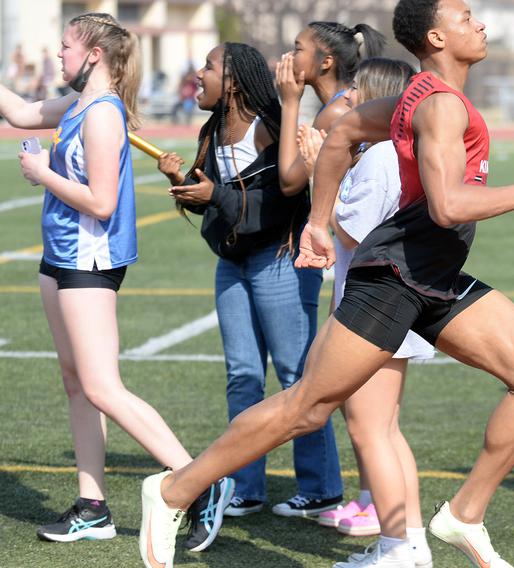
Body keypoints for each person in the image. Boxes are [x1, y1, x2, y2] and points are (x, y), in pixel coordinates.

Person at [138, 1, 514, 567]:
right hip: (395, 277)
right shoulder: (439, 105)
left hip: (435, 276)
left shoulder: (421, 96)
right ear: (435, 36)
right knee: (307, 408)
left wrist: (317, 224)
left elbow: (343, 132)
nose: (480, 23)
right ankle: (172, 491)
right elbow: (450, 205)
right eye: (465, 16)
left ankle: (463, 515)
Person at [0, 14, 232, 552]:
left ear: (95, 53)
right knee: (77, 384)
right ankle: (92, 506)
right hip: (61, 255)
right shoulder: (78, 105)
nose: (59, 55)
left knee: (102, 386)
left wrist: (43, 174)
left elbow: (100, 202)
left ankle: (200, 482)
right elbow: (21, 112)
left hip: (88, 260)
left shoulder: (102, 115)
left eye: (66, 47)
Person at [155, 42, 344, 524]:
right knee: (242, 377)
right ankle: (245, 488)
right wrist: (187, 183)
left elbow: (273, 207)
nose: (198, 73)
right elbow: (220, 203)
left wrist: (213, 193)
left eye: (209, 67)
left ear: (234, 80)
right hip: (233, 263)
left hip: (278, 258)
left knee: (296, 376)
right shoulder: (212, 129)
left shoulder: (271, 127)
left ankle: (320, 489)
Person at [298, 57, 435, 568]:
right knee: (386, 429)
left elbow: (353, 233)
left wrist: (320, 173)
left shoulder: (381, 156)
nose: (349, 95)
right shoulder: (384, 154)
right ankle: (410, 542)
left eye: (357, 88)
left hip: (375, 307)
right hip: (387, 302)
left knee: (368, 429)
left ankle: (398, 545)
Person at [274, 20, 385, 209]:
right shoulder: (335, 105)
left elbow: (289, 182)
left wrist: (290, 102)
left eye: (298, 50)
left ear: (326, 61)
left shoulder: (337, 111)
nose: (289, 57)